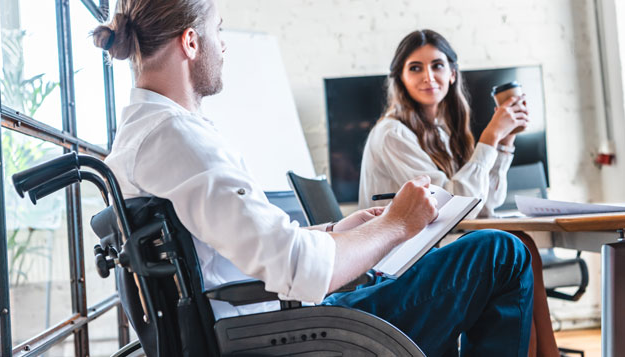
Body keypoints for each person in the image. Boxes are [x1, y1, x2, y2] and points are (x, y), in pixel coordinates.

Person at [93, 2, 533, 355]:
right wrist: (394, 225)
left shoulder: (146, 134)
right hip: (295, 332)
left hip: (280, 317)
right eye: (219, 31)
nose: (223, 46)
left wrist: (338, 230)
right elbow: (296, 267)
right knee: (501, 253)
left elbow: (240, 253)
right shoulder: (176, 139)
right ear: (191, 42)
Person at [358, 29, 558, 356]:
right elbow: (451, 205)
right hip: (398, 266)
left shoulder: (441, 133)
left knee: (523, 243)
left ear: (452, 74)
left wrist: (504, 142)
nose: (428, 76)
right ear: (400, 78)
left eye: (437, 65)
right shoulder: (392, 133)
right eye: (415, 68)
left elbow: (484, 206)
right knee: (519, 245)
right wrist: (490, 138)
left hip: (424, 252)